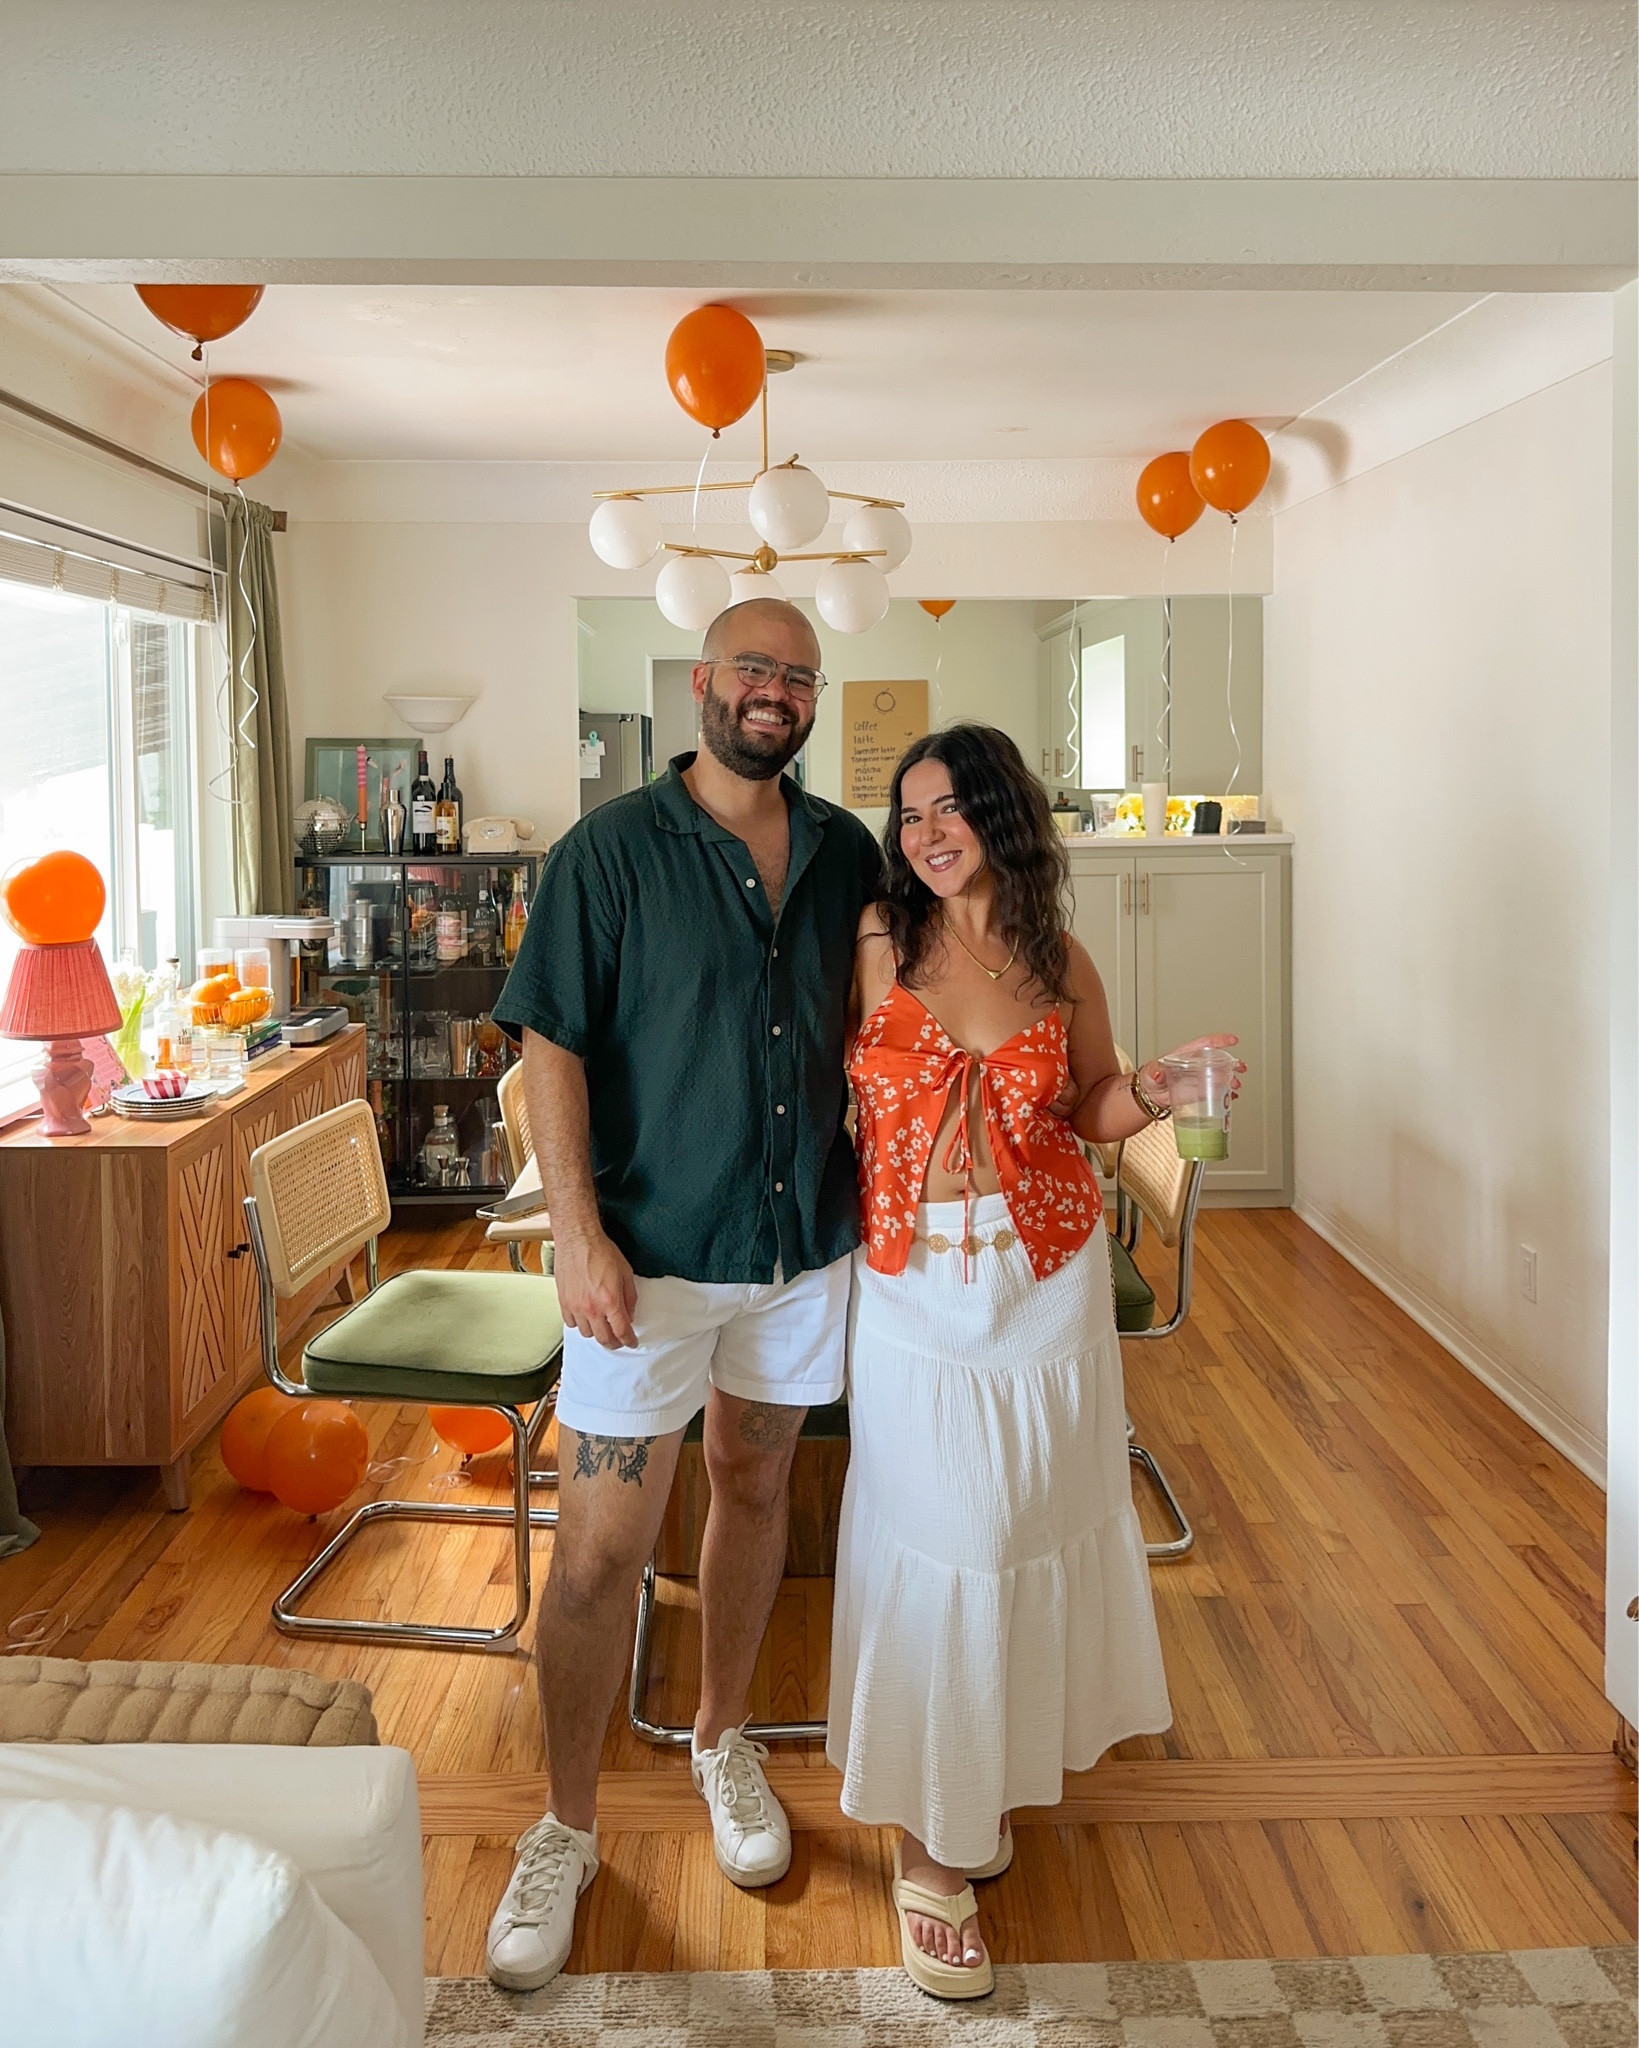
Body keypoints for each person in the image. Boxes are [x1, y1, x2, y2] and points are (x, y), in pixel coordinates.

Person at [486, 598, 883, 1991]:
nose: (776, 692)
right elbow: (551, 1044)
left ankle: (720, 1742)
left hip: (797, 1251)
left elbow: (887, 1015)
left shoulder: (844, 851)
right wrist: (574, 1231)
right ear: (704, 685)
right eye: (754, 669)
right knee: (599, 1549)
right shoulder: (607, 852)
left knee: (756, 1488)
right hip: (644, 1266)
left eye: (799, 675)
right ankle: (565, 1824)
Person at [829, 722, 1238, 2001]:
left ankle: (977, 1780)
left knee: (1012, 1532)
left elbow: (1091, 1106)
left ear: (1001, 813)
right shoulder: (874, 943)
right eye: (907, 815)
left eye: (947, 807)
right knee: (936, 1536)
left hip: (1042, 1273)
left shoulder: (1061, 959)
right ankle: (932, 1845)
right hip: (908, 1283)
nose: (923, 833)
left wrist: (1161, 1085)